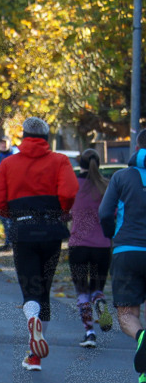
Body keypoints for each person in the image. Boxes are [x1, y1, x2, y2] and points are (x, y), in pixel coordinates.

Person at [0, 117, 78, 371]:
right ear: (47, 137)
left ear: (24, 136)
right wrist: (62, 210)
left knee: (29, 288)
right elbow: (70, 192)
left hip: (23, 230)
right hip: (51, 230)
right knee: (44, 289)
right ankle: (34, 355)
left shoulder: (8, 163)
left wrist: (13, 215)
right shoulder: (60, 161)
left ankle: (32, 321)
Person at [99, 130, 146, 383]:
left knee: (128, 314)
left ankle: (141, 337)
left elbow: (105, 212)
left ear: (137, 147)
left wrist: (111, 235)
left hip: (127, 250)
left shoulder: (120, 177)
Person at [69, 149, 113, 348]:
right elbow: (113, 214)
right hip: (102, 246)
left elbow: (65, 212)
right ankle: (100, 301)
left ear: (80, 164)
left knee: (82, 292)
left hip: (78, 245)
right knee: (97, 288)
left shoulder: (73, 186)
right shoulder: (106, 187)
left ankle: (89, 332)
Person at [0, 135, 17, 252]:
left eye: (5, 143)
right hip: (2, 192)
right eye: (1, 143)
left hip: (12, 192)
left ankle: (11, 242)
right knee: (4, 218)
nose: (3, 145)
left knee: (10, 219)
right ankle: (8, 241)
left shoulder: (14, 156)